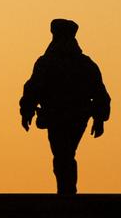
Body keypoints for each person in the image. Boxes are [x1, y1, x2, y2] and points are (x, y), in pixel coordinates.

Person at [20, 19, 111, 195]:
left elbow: (100, 93)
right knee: (64, 154)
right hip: (62, 116)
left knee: (63, 154)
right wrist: (27, 110)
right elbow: (33, 89)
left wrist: (100, 118)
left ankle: (66, 191)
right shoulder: (80, 63)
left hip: (69, 116)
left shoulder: (51, 62)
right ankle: (67, 190)